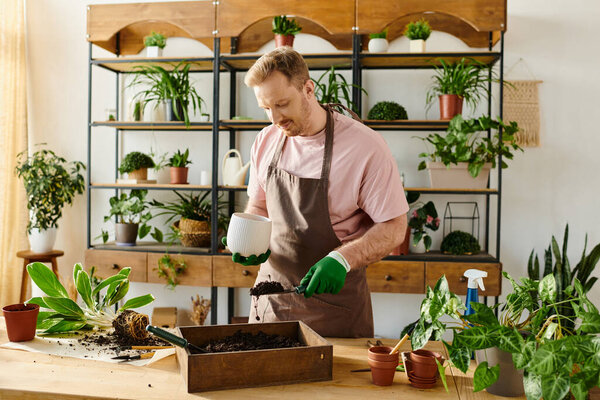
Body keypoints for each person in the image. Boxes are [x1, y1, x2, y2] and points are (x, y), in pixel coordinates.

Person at [229, 47, 408, 338]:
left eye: (282, 104)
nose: (275, 118)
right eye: (266, 108)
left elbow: (395, 226)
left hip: (333, 309)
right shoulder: (266, 140)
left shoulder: (365, 147)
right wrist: (249, 240)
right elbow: (259, 205)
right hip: (272, 302)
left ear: (308, 89)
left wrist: (342, 258)